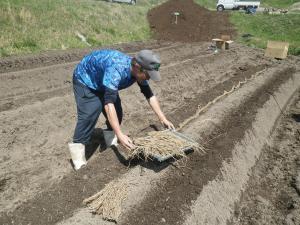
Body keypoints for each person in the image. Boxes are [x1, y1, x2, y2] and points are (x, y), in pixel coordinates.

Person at [69, 49, 175, 170]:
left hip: (104, 80)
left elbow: (149, 94)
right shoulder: (116, 69)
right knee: (89, 115)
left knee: (118, 113)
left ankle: (110, 142)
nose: (148, 78)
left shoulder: (138, 73)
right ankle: (78, 161)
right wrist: (120, 134)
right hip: (86, 80)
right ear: (137, 67)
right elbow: (108, 105)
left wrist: (163, 119)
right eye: (148, 75)